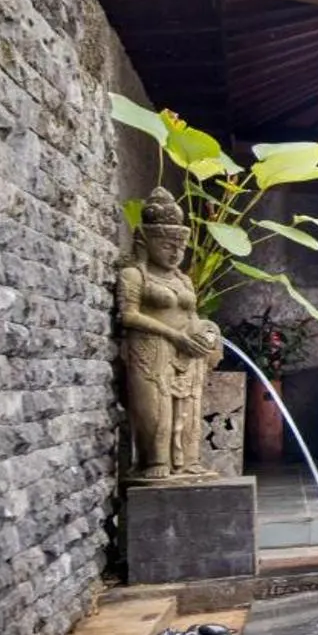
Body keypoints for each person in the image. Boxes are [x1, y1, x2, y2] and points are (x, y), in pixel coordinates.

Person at [118, 187, 223, 480]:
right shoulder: (134, 275)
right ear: (146, 241)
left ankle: (187, 461)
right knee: (155, 412)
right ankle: (154, 461)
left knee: (188, 412)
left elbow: (191, 316)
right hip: (150, 350)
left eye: (180, 247)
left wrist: (207, 333)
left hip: (187, 352)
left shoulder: (184, 280)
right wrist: (173, 335)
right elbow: (128, 315)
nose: (176, 253)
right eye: (166, 245)